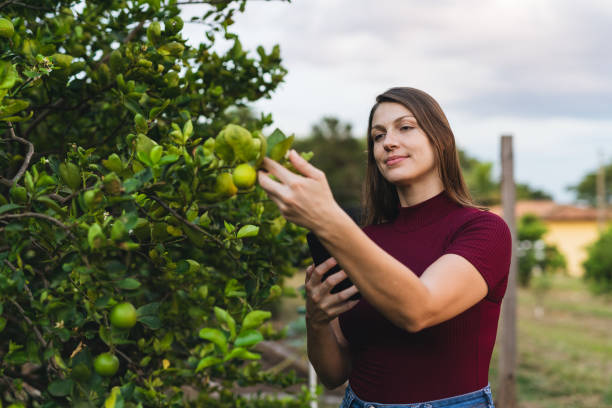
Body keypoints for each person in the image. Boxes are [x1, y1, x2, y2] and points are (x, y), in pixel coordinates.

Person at [257, 87, 511, 408]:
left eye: (405, 127)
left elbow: (419, 310)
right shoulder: (365, 240)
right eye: (378, 136)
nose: (388, 141)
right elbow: (333, 373)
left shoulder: (483, 229)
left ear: (440, 138)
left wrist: (329, 221)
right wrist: (316, 320)